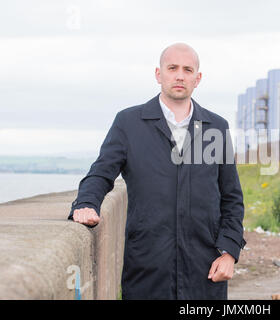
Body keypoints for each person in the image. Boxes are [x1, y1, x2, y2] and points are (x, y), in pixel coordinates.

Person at [68, 43, 246, 300]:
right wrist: (86, 203)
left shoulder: (217, 127)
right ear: (158, 74)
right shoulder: (129, 123)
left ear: (198, 78)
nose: (180, 75)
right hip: (147, 269)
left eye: (188, 69)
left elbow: (232, 198)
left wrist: (229, 252)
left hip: (205, 270)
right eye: (172, 68)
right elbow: (101, 173)